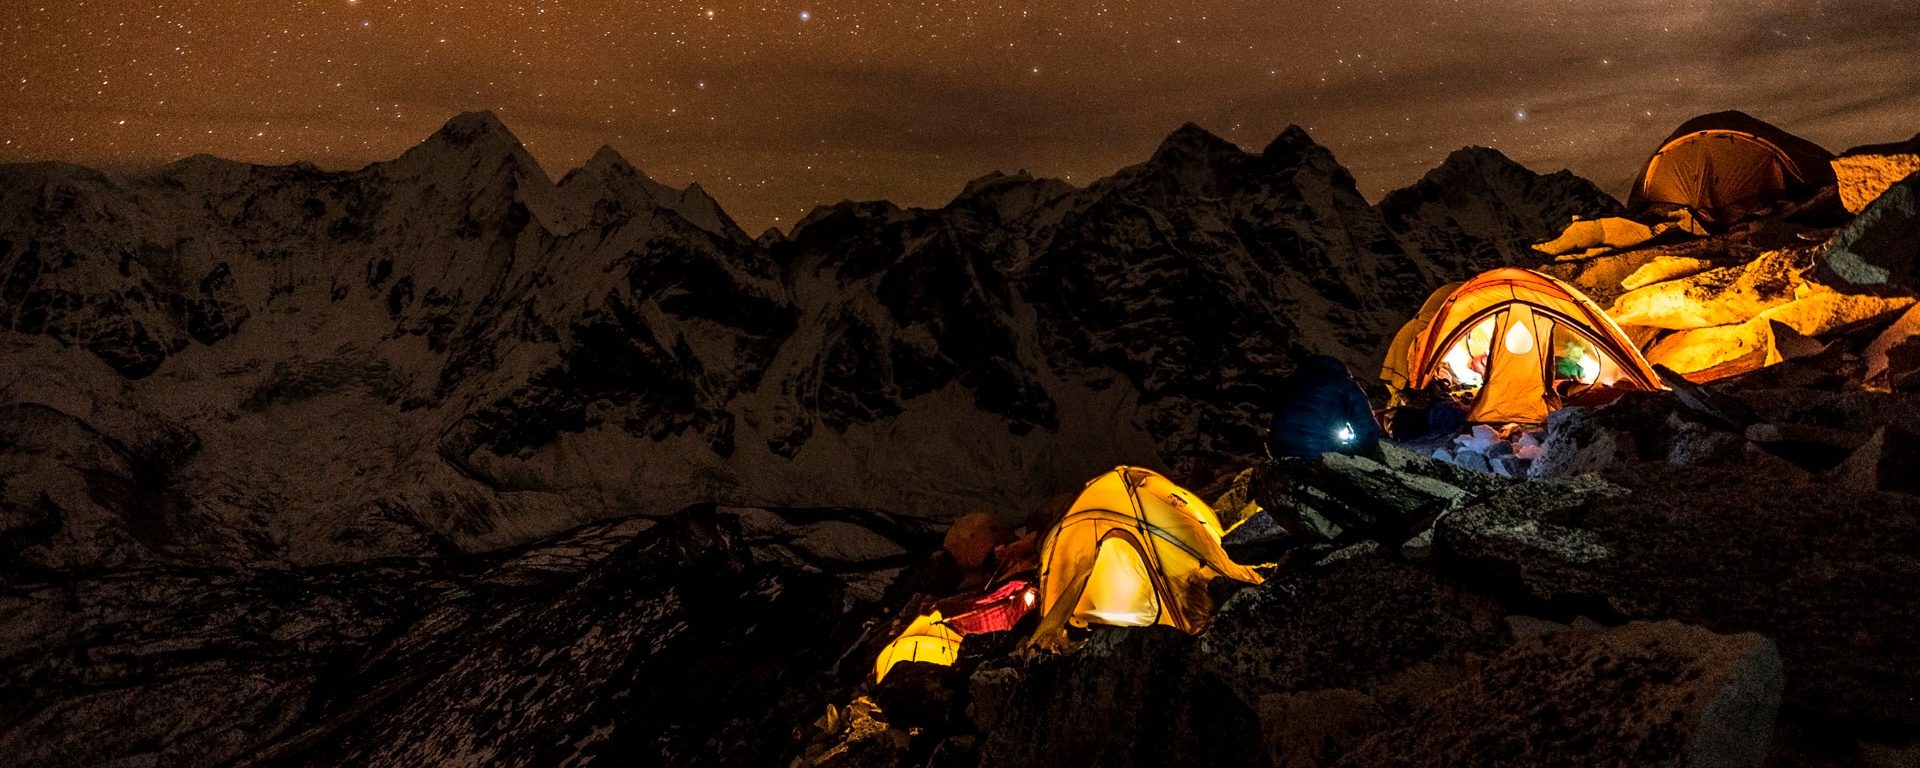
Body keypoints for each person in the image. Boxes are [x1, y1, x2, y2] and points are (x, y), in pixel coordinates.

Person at [1266, 355, 1382, 460]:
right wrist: (1361, 450)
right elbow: (1368, 430)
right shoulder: (1345, 383)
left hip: (1278, 448)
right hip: (1316, 451)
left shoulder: (1293, 380)